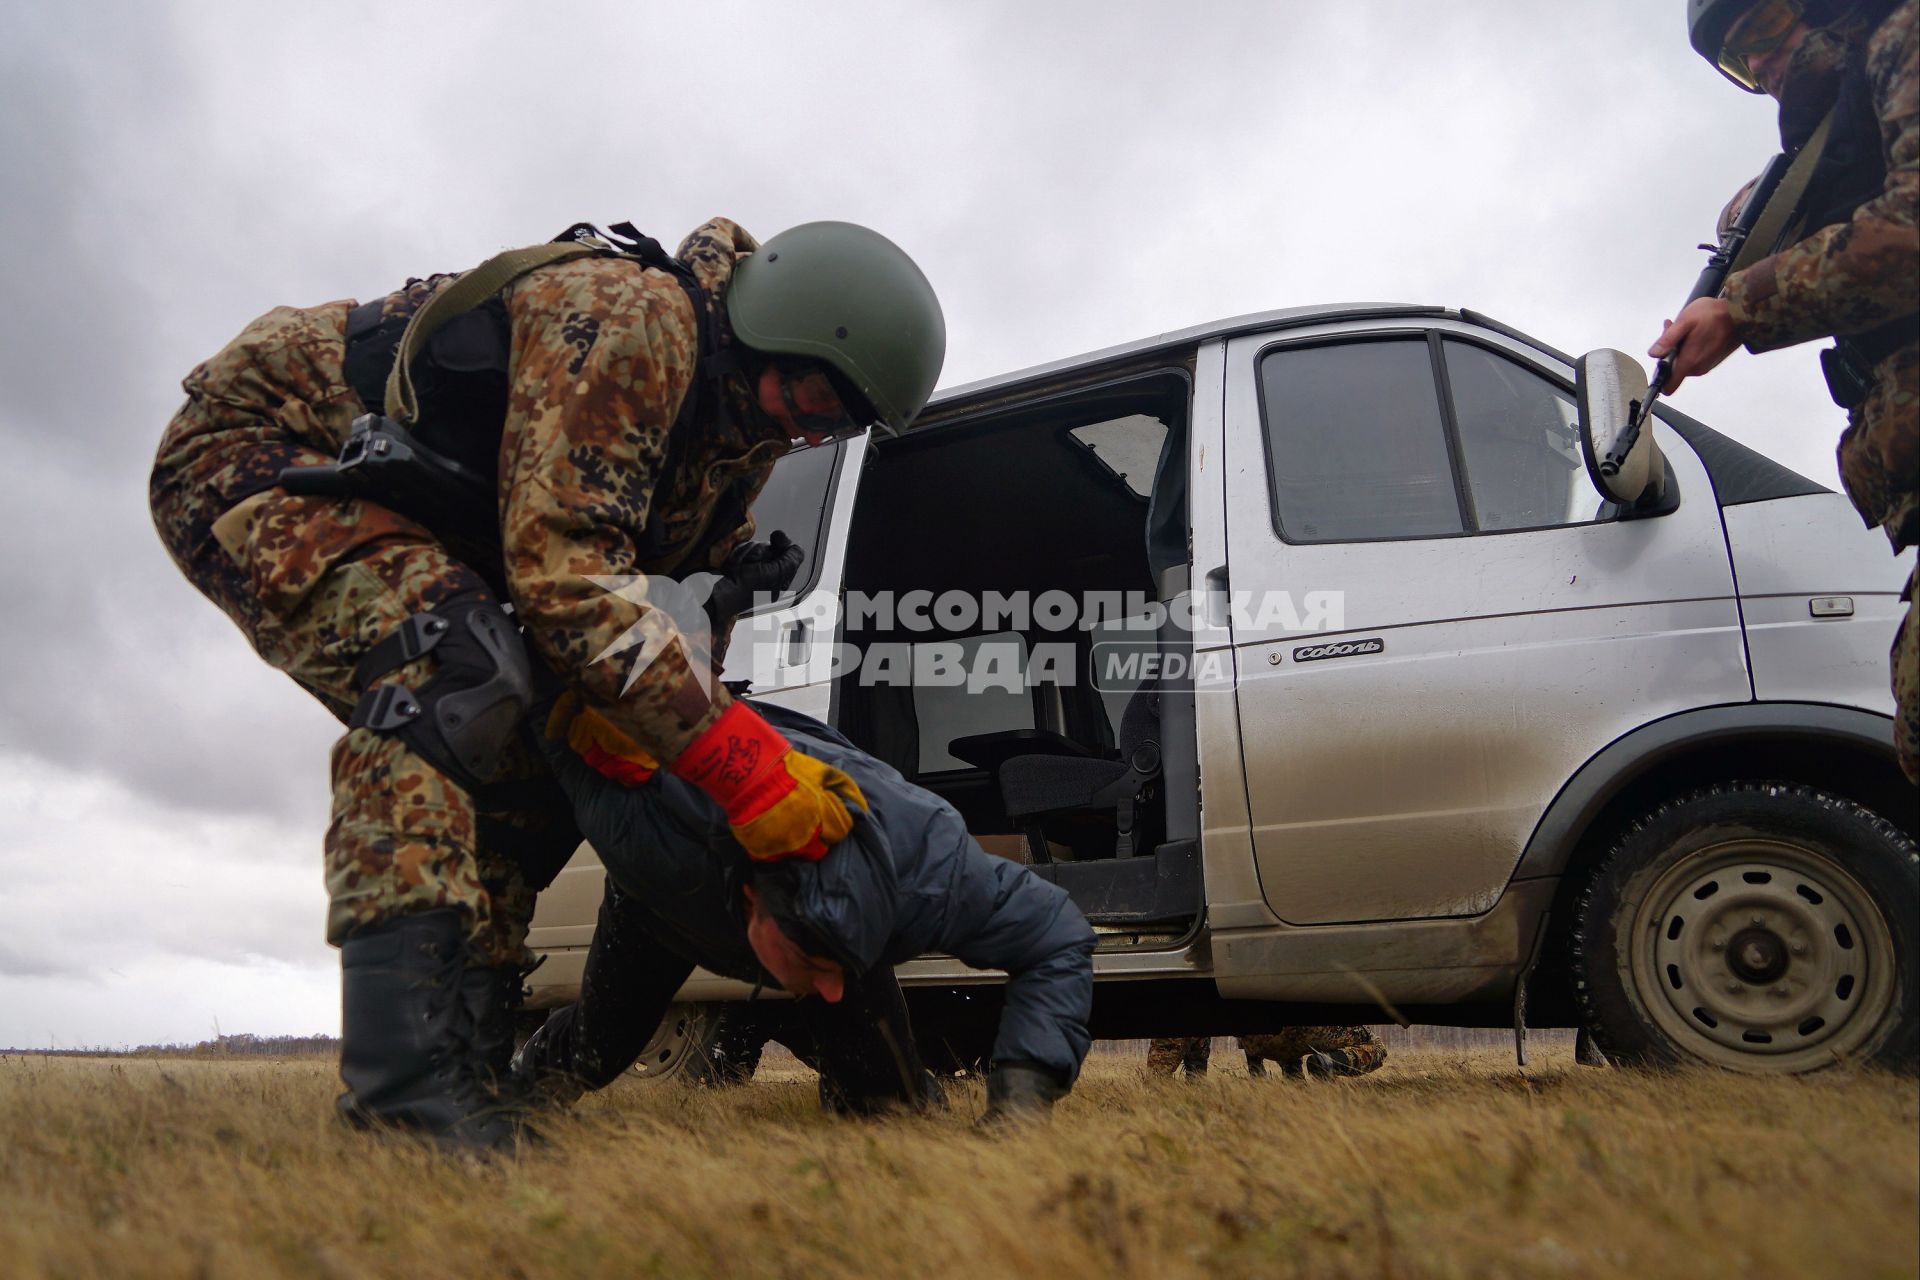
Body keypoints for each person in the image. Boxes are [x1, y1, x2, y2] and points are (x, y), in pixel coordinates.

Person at [149, 217, 946, 1150]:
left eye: (836, 421)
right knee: (448, 670)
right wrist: (744, 769)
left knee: (548, 767)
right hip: (264, 458)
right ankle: (407, 1100)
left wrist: (683, 742)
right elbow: (565, 582)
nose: (809, 424)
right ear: (775, 327)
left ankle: (469, 1071)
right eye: (812, 392)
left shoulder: (737, 444)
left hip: (439, 534)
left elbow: (683, 612)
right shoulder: (633, 323)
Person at [511, 690, 1098, 1124]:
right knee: (598, 1045)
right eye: (816, 961)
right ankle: (507, 1099)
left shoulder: (931, 868)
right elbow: (539, 751)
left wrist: (1022, 1100)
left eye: (844, 959)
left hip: (826, 889)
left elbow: (1056, 934)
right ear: (754, 906)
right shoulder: (647, 830)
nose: (833, 985)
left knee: (884, 1106)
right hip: (666, 905)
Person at [1652, 0, 1917, 780]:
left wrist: (1742, 308)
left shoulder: (1903, 37)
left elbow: (1907, 231)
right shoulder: (1838, 137)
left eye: (1764, 33)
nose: (1761, 68)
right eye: (1739, 62)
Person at [1146, 1028, 1387, 1080]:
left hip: (1259, 1036)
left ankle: (1194, 1080)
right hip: (1313, 1030)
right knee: (1375, 1045)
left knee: (1190, 1015)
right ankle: (1329, 1063)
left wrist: (1256, 1068)